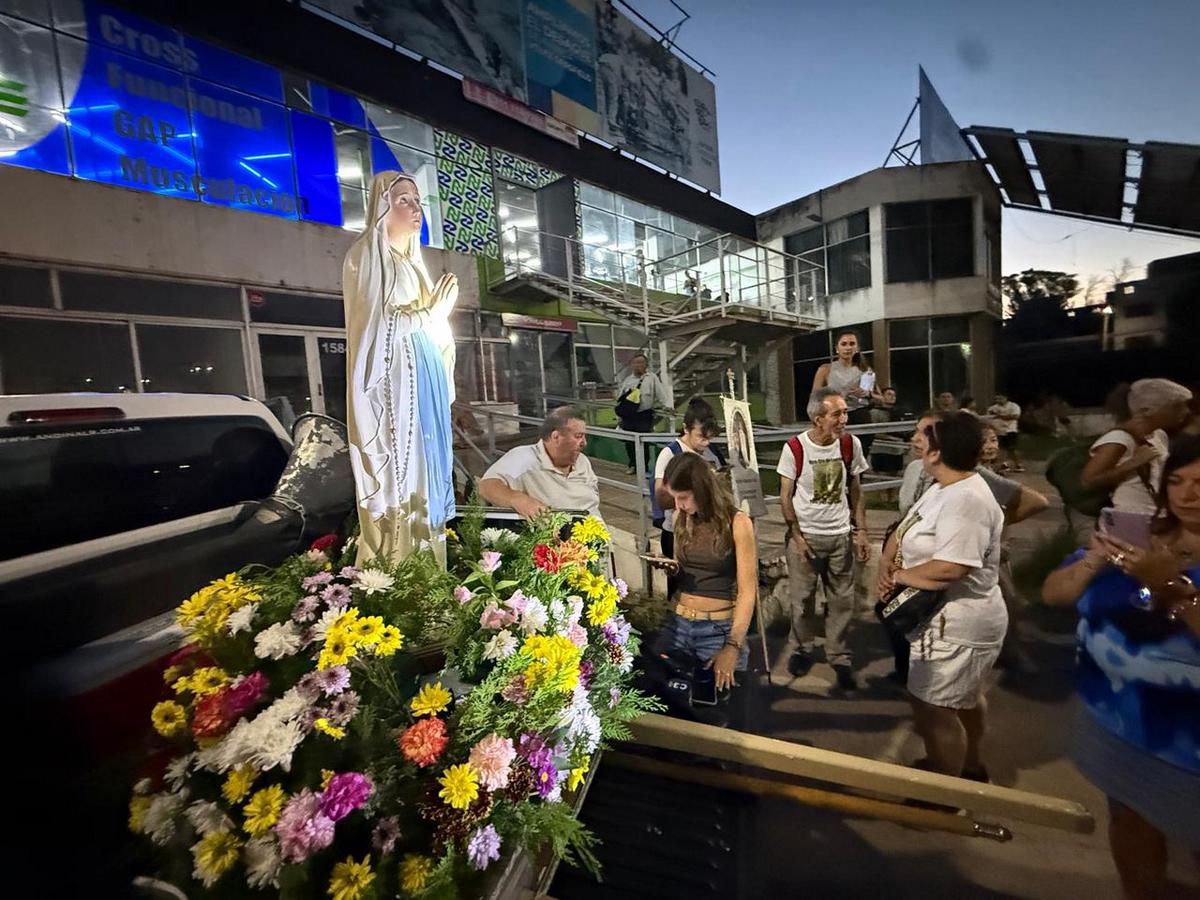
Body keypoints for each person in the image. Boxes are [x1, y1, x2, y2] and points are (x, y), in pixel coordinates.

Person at [1042, 437, 1200, 899]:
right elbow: (1054, 594)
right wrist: (1093, 559)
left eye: (1199, 483)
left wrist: (1170, 586)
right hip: (1117, 726)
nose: (1186, 494)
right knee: (1130, 821)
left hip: (1186, 743)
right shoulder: (1140, 535)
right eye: (1176, 480)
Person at [878, 412, 1006, 779]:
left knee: (932, 707)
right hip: (944, 621)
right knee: (962, 698)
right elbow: (905, 531)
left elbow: (953, 567)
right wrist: (889, 564)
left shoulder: (965, 500)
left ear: (938, 452)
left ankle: (946, 788)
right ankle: (968, 765)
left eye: (922, 434)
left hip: (958, 623)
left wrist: (900, 576)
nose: (914, 438)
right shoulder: (943, 487)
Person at [343, 171, 458, 567]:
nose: (415, 209)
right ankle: (401, 568)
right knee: (403, 474)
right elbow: (374, 334)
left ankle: (432, 567)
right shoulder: (368, 259)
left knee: (427, 471)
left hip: (423, 380)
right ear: (381, 207)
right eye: (404, 200)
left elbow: (432, 328)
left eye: (418, 201)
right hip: (395, 388)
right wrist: (430, 314)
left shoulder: (412, 266)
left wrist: (439, 325)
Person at [889, 414, 1046, 679]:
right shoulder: (917, 470)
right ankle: (908, 670)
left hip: (960, 568)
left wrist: (992, 533)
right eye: (915, 431)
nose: (915, 438)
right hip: (922, 562)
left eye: (924, 432)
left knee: (1005, 599)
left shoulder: (971, 477)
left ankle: (1012, 655)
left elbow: (1036, 501)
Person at [777, 387, 871, 691]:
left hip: (840, 536)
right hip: (807, 538)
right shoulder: (795, 448)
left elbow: (856, 489)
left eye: (845, 412)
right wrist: (797, 537)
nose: (844, 419)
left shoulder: (849, 444)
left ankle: (839, 656)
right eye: (837, 414)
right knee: (801, 600)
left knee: (842, 599)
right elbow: (785, 496)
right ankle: (802, 649)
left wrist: (861, 531)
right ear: (818, 419)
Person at [655, 452, 758, 695]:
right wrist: (672, 568)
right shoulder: (683, 517)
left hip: (717, 629)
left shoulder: (738, 523)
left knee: (719, 706)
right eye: (674, 498)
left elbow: (747, 590)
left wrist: (733, 646)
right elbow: (691, 568)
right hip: (679, 622)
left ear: (701, 490)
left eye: (683, 498)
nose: (678, 506)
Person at [1082, 378, 1193, 514]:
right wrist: (1133, 463)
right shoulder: (1119, 439)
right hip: (1131, 516)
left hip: (1155, 514)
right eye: (1177, 407)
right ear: (1146, 410)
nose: (1186, 411)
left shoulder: (1158, 435)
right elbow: (1088, 481)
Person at [654, 398, 724, 599]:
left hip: (709, 532)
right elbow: (662, 498)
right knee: (680, 589)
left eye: (709, 438)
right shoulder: (670, 453)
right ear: (686, 428)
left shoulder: (711, 452)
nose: (706, 443)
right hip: (677, 533)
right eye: (701, 437)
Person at [478, 407, 600, 520]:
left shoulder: (582, 461)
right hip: (560, 538)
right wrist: (519, 500)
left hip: (597, 535)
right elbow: (487, 486)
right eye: (578, 436)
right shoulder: (524, 458)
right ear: (556, 437)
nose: (584, 443)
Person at [616, 353, 667, 475]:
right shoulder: (628, 380)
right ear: (632, 365)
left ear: (646, 365)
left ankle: (643, 468)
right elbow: (620, 398)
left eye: (640, 363)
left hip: (644, 415)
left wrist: (666, 407)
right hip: (629, 416)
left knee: (644, 442)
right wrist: (619, 416)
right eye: (635, 363)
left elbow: (661, 394)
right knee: (630, 442)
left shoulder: (652, 378)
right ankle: (632, 465)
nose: (638, 365)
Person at [813, 331, 874, 428]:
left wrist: (866, 393)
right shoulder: (825, 369)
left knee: (862, 442)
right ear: (837, 348)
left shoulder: (865, 370)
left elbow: (877, 397)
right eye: (844, 344)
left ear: (857, 348)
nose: (848, 348)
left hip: (861, 416)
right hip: (835, 416)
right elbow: (815, 398)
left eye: (852, 344)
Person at [987, 393, 1023, 472]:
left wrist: (1000, 416)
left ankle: (1018, 464)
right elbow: (989, 418)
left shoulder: (1013, 406)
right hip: (999, 431)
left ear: (1005, 398)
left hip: (1011, 430)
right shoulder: (993, 408)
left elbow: (1015, 416)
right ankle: (1004, 465)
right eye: (997, 398)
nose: (998, 400)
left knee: (1012, 448)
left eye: (1000, 398)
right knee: (1001, 448)